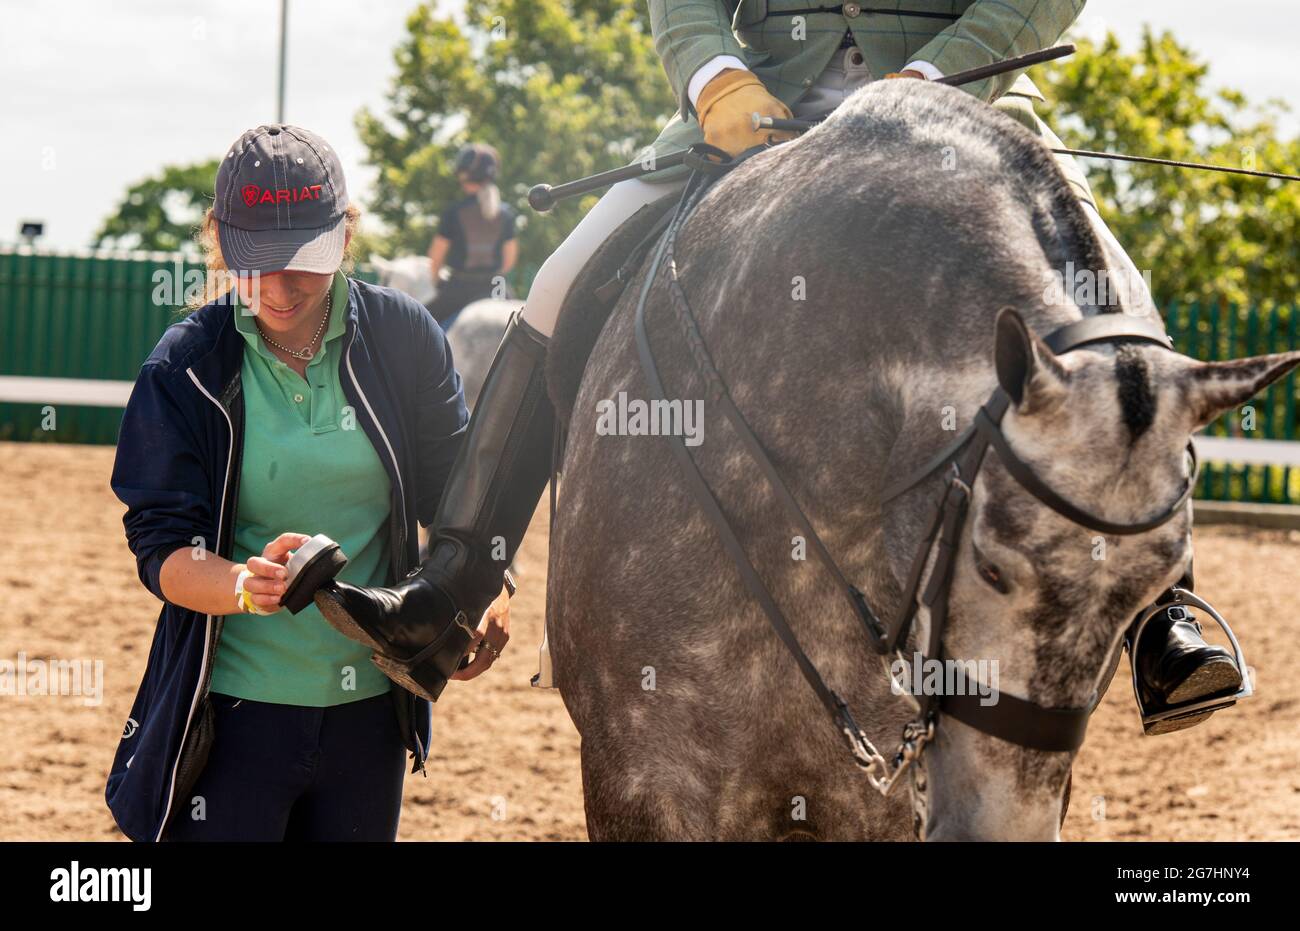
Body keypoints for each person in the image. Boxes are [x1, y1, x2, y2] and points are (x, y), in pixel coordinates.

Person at [313, 1, 1241, 734]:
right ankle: (453, 585)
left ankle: (1169, 609)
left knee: (1112, 295)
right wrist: (715, 75)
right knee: (557, 282)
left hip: (972, 103)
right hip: (755, 110)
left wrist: (927, 82)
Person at [106, 124, 511, 842]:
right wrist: (242, 583)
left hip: (370, 719)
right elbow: (161, 549)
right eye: (257, 264)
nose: (281, 289)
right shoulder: (185, 367)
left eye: (305, 263)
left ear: (345, 236)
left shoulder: (406, 336)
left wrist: (479, 594)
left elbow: (459, 496)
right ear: (220, 239)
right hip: (231, 715)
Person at [425, 143, 518, 329]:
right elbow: (509, 261)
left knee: (422, 329)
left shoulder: (454, 212)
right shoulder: (506, 214)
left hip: (459, 287)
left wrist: (438, 281)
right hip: (496, 287)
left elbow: (435, 259)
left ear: (463, 175)